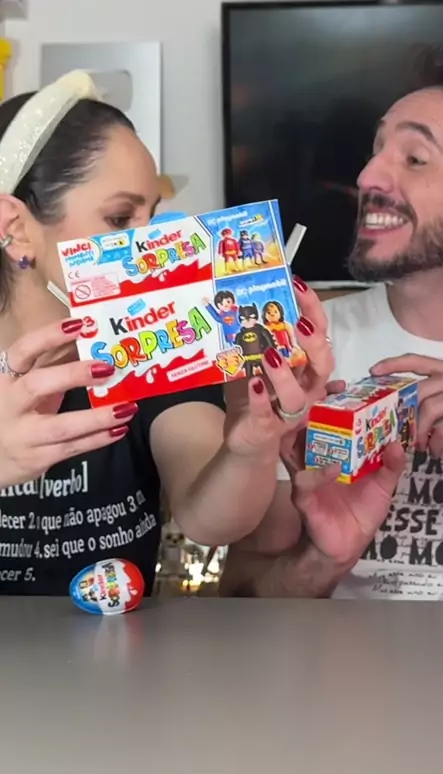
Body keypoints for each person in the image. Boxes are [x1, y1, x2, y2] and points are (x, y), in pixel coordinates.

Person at [0, 70, 334, 595]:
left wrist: (250, 442)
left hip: (114, 644)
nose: (150, 245)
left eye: (152, 217)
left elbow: (210, 520)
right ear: (16, 228)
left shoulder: (153, 345)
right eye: (119, 219)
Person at [221, 46, 443, 601]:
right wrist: (323, 561)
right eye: (375, 151)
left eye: (415, 158)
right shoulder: (303, 353)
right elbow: (239, 599)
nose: (366, 176)